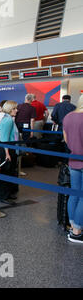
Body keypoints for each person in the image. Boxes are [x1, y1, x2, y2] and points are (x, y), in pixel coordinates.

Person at [62, 95, 83, 243]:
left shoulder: (69, 116)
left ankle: (72, 226)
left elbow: (67, 139)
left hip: (73, 159)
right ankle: (77, 231)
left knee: (74, 194)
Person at [0, 100, 19, 205]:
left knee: (10, 172)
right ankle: (3, 196)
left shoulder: (8, 119)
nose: (16, 110)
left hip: (9, 148)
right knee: (6, 172)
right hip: (7, 149)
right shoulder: (8, 120)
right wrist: (7, 153)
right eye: (14, 108)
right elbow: (4, 138)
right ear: (10, 109)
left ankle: (7, 194)